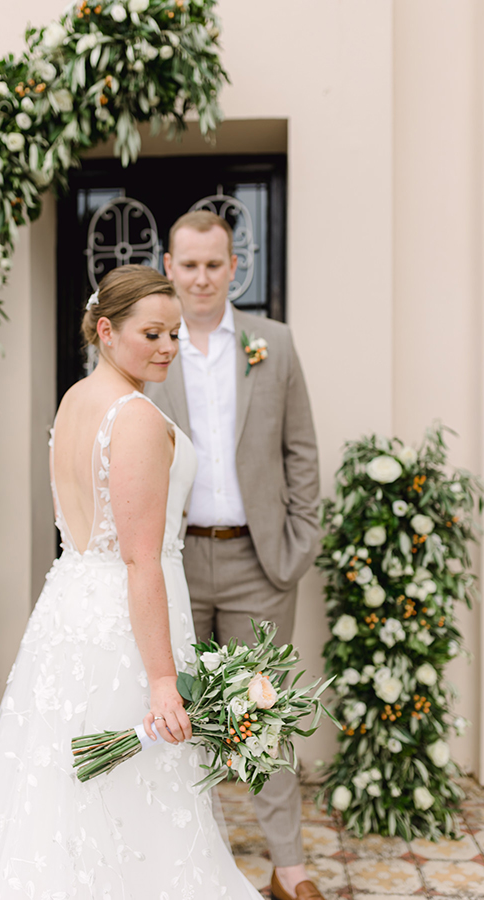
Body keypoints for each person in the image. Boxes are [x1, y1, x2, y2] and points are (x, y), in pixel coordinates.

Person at [0, 265, 262, 899]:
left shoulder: (76, 399)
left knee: (62, 798)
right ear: (106, 330)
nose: (168, 346)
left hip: (72, 608)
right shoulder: (133, 415)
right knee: (135, 801)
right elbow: (140, 559)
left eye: (174, 334)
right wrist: (164, 680)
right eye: (153, 333)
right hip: (127, 625)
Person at [147, 212, 323, 900]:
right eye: (188, 264)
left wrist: (299, 539)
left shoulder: (272, 345)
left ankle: (290, 868)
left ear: (234, 267)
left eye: (213, 264)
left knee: (263, 715)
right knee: (177, 716)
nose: (200, 277)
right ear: (169, 265)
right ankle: (185, 868)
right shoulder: (150, 350)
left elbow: (300, 450)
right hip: (173, 563)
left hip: (259, 561)